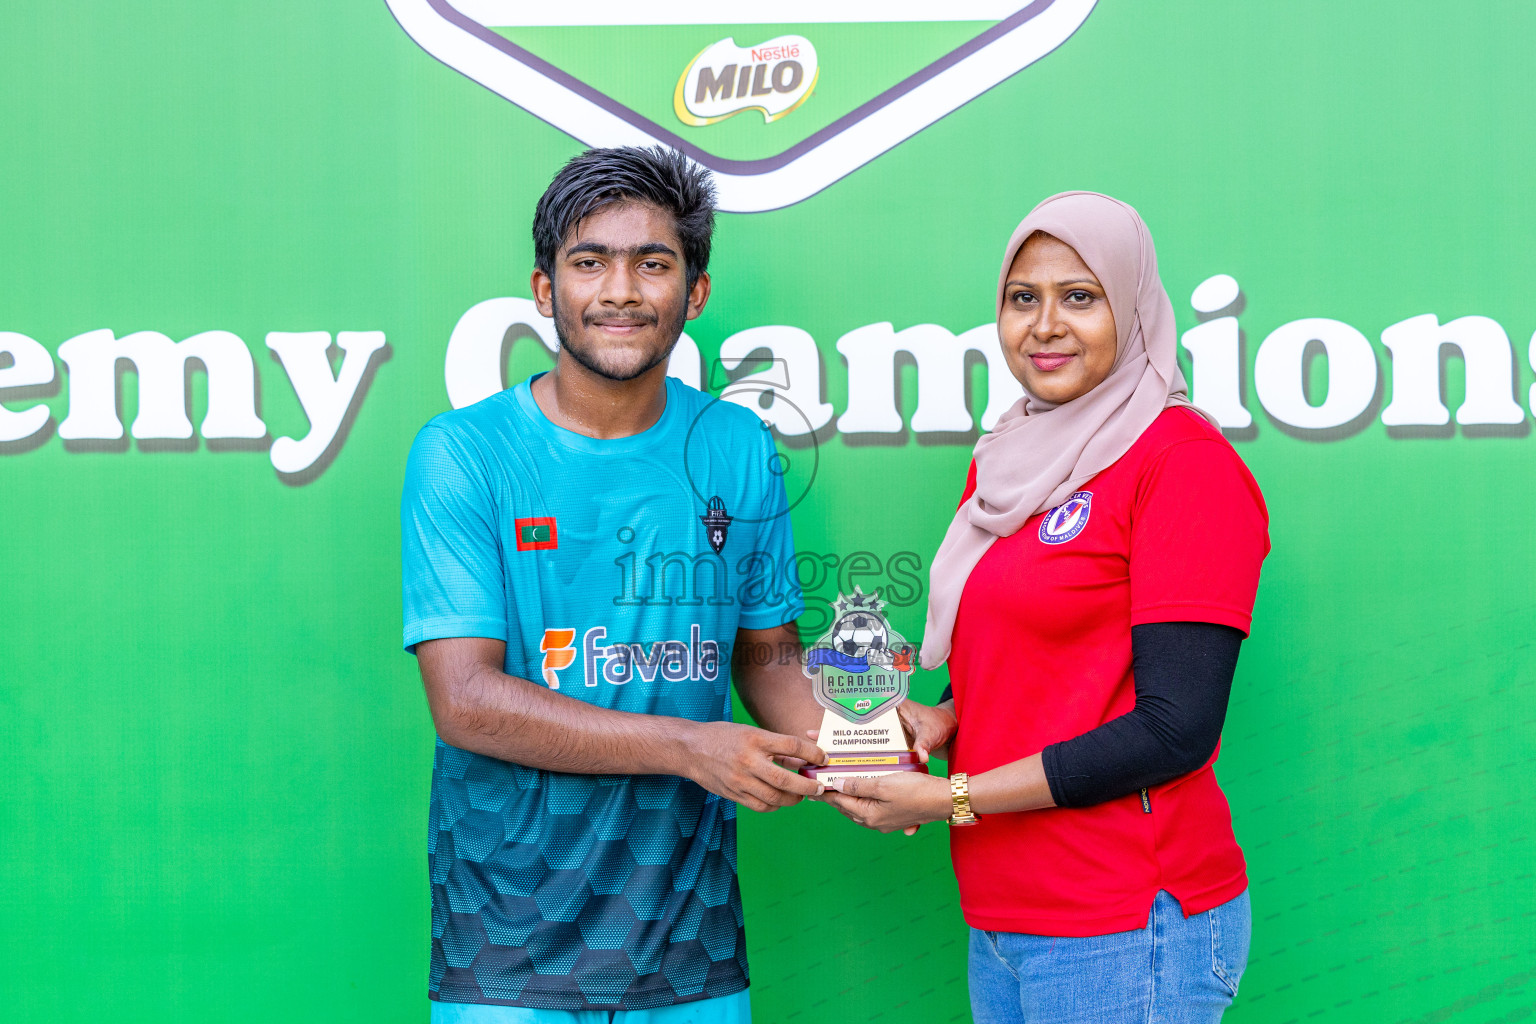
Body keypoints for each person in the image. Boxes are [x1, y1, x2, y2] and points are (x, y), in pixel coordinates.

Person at [400, 147, 953, 1024]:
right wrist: (690, 746)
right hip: (509, 936)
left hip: (688, 932)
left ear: (692, 294)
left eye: (652, 264)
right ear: (545, 292)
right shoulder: (462, 454)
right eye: (590, 263)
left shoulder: (736, 446)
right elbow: (464, 701)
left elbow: (767, 662)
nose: (621, 290)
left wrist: (872, 745)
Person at [821, 191, 1269, 1024]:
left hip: (1128, 924)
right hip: (1005, 917)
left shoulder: (1182, 465)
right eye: (1023, 298)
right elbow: (1055, 666)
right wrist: (944, 720)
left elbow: (1175, 728)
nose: (1046, 324)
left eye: (1081, 296)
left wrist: (952, 797)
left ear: (1132, 307)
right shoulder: (1014, 460)